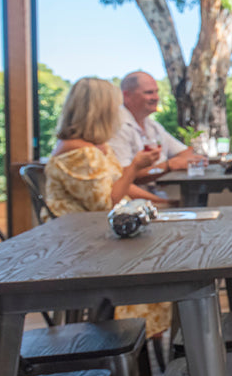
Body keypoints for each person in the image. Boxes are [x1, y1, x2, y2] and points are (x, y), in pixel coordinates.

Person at [44, 76, 172, 338]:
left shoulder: (94, 148)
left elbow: (116, 184)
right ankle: (134, 335)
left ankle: (149, 335)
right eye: (114, 108)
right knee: (166, 254)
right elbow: (106, 203)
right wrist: (136, 167)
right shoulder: (79, 153)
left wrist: (161, 202)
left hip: (97, 236)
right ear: (101, 111)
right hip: (82, 246)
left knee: (168, 245)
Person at [109, 71, 197, 195]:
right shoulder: (117, 126)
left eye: (156, 92)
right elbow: (124, 177)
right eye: (149, 92)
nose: (156, 97)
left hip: (158, 194)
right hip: (135, 202)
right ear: (127, 96)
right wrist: (167, 166)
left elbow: (186, 153)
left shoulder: (152, 125)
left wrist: (164, 167)